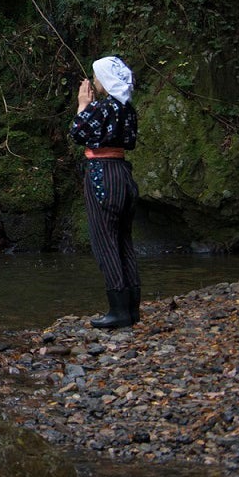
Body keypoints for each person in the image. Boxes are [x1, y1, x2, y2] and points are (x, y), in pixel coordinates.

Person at [72, 55, 140, 329]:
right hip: (123, 173)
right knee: (124, 240)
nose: (94, 81)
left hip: (103, 174)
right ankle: (132, 308)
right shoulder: (127, 108)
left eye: (96, 76)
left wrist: (82, 105)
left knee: (105, 243)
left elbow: (77, 132)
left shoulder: (102, 108)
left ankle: (118, 312)